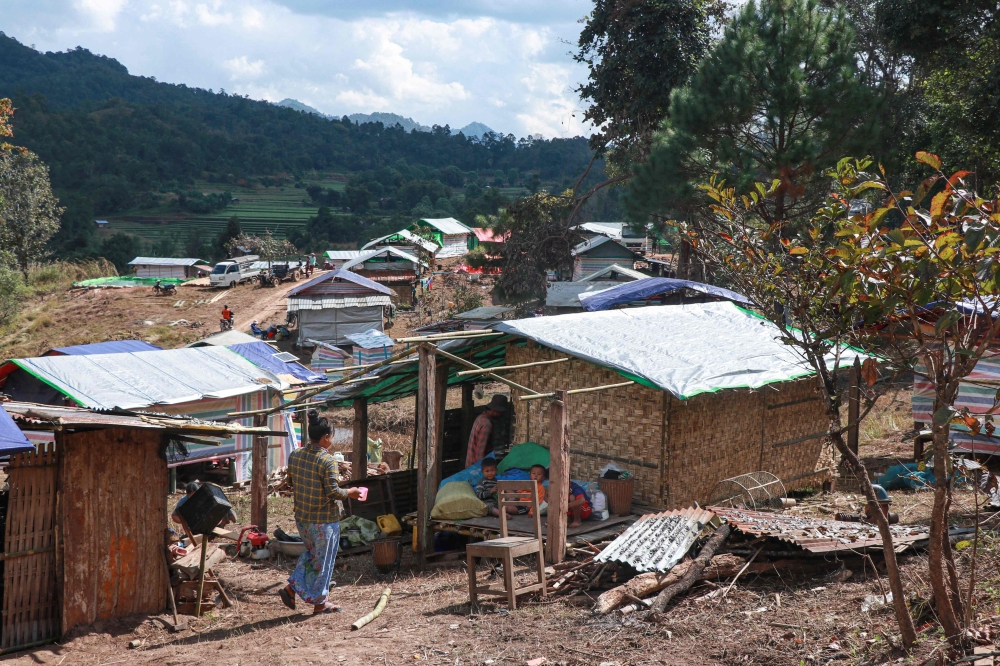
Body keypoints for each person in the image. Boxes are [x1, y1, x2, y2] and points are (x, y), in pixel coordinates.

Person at [279, 410, 362, 614]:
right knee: (323, 562)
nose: (332, 441)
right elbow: (333, 492)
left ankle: (292, 589)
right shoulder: (327, 461)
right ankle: (319, 603)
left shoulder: (295, 455)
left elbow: (290, 482)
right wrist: (350, 492)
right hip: (323, 522)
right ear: (326, 437)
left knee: (312, 556)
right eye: (332, 437)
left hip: (303, 520)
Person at [171, 480, 237, 545]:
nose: (195, 499)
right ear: (188, 495)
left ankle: (228, 514)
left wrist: (217, 520)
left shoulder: (206, 495)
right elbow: (174, 516)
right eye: (192, 497)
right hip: (195, 527)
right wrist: (186, 521)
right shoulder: (183, 501)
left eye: (196, 495)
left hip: (211, 522)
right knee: (186, 541)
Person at [465, 395, 508, 468]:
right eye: (500, 413)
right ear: (495, 411)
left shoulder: (480, 418)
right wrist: (482, 469)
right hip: (476, 466)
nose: (500, 415)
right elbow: (480, 451)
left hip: (471, 462)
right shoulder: (487, 424)